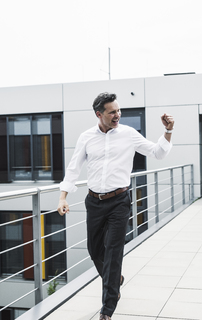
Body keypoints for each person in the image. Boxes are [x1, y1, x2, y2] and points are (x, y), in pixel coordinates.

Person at [57, 92, 174, 320]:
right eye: (112, 112)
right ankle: (115, 279)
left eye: (119, 110)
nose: (117, 115)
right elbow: (73, 168)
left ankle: (107, 309)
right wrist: (62, 197)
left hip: (119, 201)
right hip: (94, 202)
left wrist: (168, 131)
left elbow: (158, 153)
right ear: (99, 114)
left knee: (113, 253)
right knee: (94, 250)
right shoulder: (86, 137)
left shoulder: (129, 134)